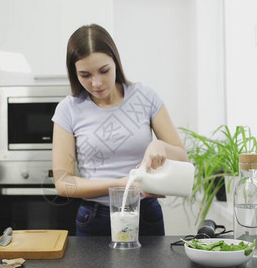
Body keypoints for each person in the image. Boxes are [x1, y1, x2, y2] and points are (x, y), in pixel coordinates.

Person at [51, 24, 188, 236]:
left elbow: (182, 158)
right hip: (94, 219)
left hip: (145, 215)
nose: (96, 83)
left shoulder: (145, 97)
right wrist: (122, 184)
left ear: (116, 61)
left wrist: (159, 145)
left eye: (104, 71)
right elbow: (63, 183)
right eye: (85, 75)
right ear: (74, 73)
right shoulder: (68, 110)